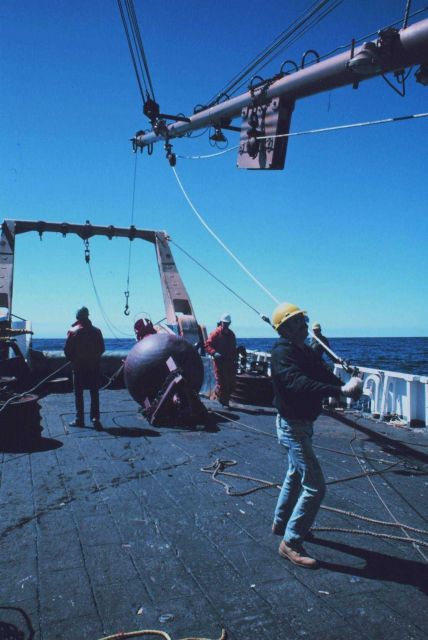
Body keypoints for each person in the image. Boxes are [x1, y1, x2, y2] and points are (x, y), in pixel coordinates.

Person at [270, 301, 363, 569]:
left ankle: (280, 522)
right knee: (315, 486)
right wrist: (342, 392)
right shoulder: (282, 354)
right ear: (285, 328)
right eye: (299, 322)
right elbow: (298, 383)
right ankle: (291, 543)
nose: (305, 325)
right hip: (292, 427)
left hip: (302, 424)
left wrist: (344, 384)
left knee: (295, 475)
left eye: (305, 320)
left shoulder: (302, 350)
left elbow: (320, 372)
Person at [64, 307, 105, 430]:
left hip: (78, 367)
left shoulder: (72, 331)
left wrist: (73, 359)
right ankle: (95, 418)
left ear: (77, 317)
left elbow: (67, 350)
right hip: (93, 367)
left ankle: (79, 419)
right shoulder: (97, 331)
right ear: (88, 316)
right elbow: (102, 349)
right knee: (94, 392)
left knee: (78, 394)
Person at [204, 313, 236, 408]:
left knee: (231, 383)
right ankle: (224, 402)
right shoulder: (215, 333)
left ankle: (219, 396)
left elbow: (233, 347)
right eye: (224, 323)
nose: (226, 325)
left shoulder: (231, 334)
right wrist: (214, 353)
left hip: (229, 362)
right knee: (221, 382)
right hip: (219, 362)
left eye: (227, 323)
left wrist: (235, 356)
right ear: (221, 322)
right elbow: (207, 345)